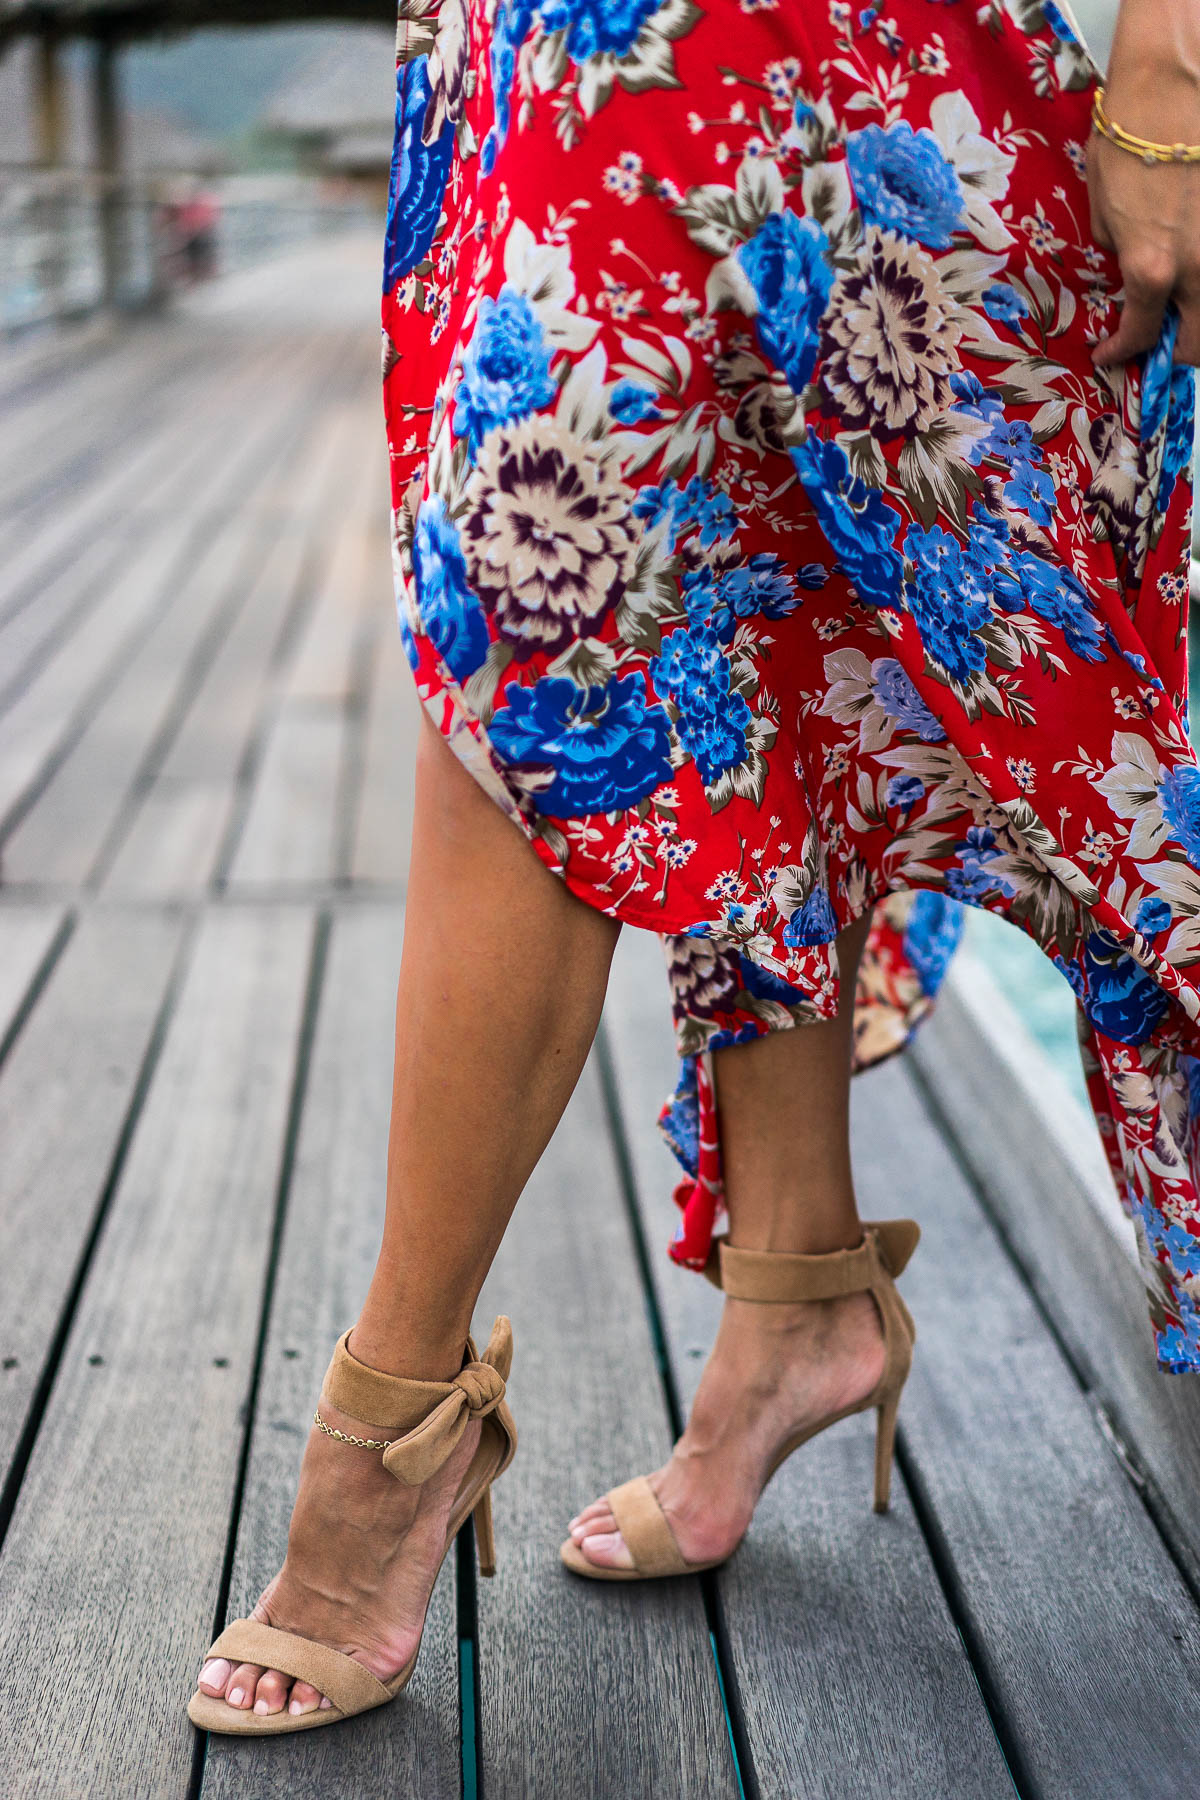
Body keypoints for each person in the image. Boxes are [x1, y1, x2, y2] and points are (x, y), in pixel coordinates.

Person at [189, 0, 1200, 1732]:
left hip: (816, 35)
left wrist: (1177, 51)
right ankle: (795, 1284)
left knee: (544, 607)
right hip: (522, 46)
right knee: (737, 608)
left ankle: (387, 1428)